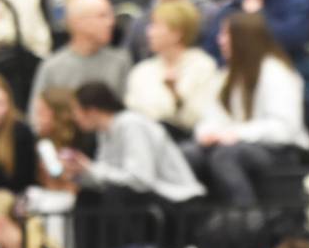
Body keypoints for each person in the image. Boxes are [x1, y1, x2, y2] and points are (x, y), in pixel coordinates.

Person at [182, 13, 309, 206]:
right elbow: (210, 118)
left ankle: (246, 220)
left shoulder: (277, 73)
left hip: (279, 151)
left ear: (245, 38)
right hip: (234, 143)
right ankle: (194, 221)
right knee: (188, 153)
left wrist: (235, 134)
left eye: (226, 35)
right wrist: (207, 134)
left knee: (226, 156)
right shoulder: (227, 75)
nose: (220, 41)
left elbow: (284, 129)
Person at [61, 82, 205, 204]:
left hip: (176, 196)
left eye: (76, 111)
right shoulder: (104, 132)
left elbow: (140, 179)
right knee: (87, 196)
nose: (75, 118)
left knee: (116, 194)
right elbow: (107, 175)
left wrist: (91, 167)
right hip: (146, 196)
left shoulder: (132, 124)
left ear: (91, 111)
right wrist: (81, 172)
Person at [124, 0, 220, 136]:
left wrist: (176, 96)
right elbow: (133, 113)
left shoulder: (202, 65)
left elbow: (200, 118)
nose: (149, 32)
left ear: (177, 33)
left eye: (156, 26)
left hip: (184, 138)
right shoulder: (141, 70)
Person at [28, 0, 132, 105]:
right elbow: (38, 116)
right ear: (77, 22)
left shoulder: (121, 61)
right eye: (102, 16)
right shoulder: (52, 68)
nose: (111, 22)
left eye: (111, 15)